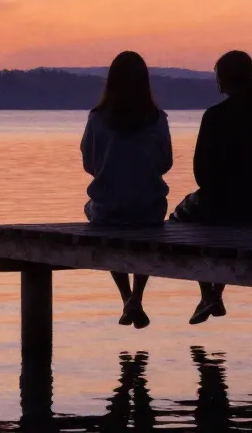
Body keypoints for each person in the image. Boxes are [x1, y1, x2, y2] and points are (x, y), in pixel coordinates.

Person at [171, 50, 252, 324]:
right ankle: (213, 294)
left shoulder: (214, 116)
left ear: (223, 79)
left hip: (225, 205)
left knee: (180, 219)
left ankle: (209, 293)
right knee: (219, 220)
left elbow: (201, 174)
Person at [81, 50, 173, 329]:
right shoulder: (156, 118)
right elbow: (165, 162)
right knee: (144, 234)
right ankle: (137, 295)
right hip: (149, 210)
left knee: (99, 219)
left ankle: (127, 298)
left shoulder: (97, 118)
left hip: (108, 211)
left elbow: (89, 163)